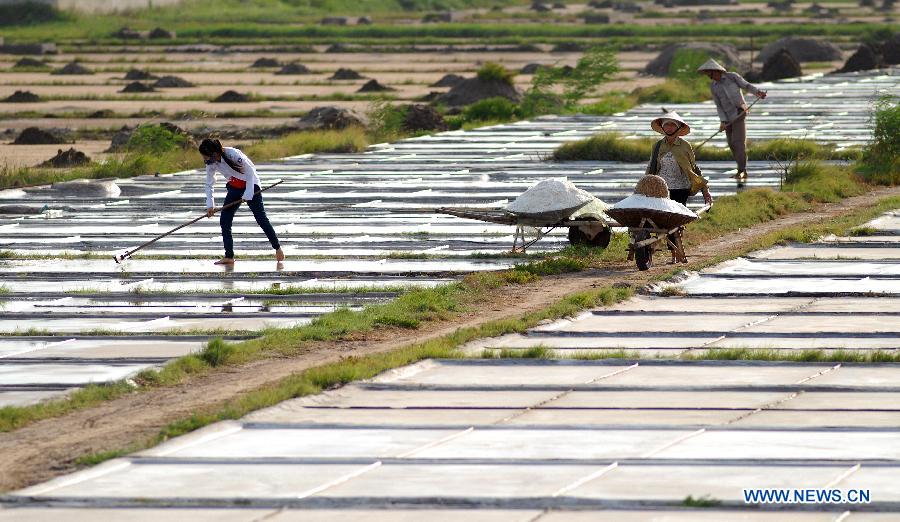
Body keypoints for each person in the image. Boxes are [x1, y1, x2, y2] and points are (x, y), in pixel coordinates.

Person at [199, 138, 283, 265]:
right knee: (225, 220)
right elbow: (209, 184)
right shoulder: (211, 163)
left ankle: (277, 248)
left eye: (206, 157)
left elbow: (250, 171)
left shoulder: (232, 154)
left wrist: (248, 193)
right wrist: (210, 205)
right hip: (234, 188)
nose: (205, 160)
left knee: (261, 218)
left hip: (251, 185)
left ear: (215, 154)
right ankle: (229, 256)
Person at [646, 111, 712, 263]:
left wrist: (705, 191)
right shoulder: (657, 146)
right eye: (666, 124)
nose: (668, 127)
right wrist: (645, 185)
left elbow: (694, 169)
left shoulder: (684, 146)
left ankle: (675, 255)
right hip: (662, 189)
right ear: (662, 128)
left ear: (677, 128)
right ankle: (666, 251)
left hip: (681, 188)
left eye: (671, 124)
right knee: (663, 221)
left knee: (676, 222)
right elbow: (652, 167)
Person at [697, 58, 767, 181]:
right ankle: (740, 168)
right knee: (731, 144)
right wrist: (723, 121)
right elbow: (718, 105)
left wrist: (758, 92)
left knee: (738, 143)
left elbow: (746, 85)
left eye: (710, 73)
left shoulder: (732, 77)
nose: (709, 76)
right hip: (727, 118)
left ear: (716, 71)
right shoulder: (713, 86)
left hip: (739, 113)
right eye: (707, 74)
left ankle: (742, 170)